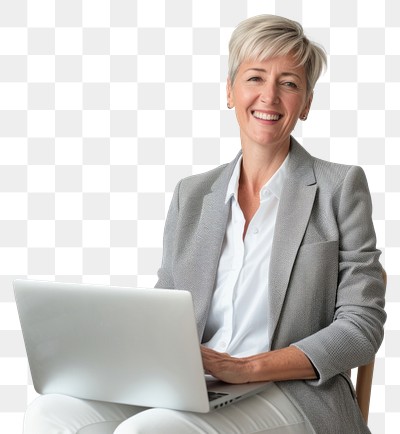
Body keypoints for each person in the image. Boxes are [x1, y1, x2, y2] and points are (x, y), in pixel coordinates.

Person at [23, 14, 386, 434]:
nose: (269, 96)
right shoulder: (192, 195)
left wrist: (247, 367)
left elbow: (361, 327)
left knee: (151, 430)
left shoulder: (339, 187)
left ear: (305, 104)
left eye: (289, 83)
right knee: (49, 412)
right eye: (254, 78)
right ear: (230, 92)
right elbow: (165, 307)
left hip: (294, 391)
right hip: (195, 386)